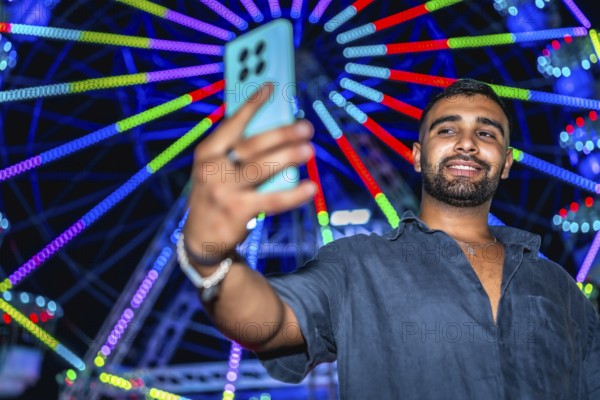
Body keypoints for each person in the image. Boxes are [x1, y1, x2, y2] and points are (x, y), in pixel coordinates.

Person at [180, 79, 600, 398]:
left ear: (506, 163)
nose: (468, 144)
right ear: (417, 156)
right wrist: (212, 260)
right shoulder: (356, 266)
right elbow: (268, 324)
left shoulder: (558, 286)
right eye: (447, 131)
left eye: (487, 133)